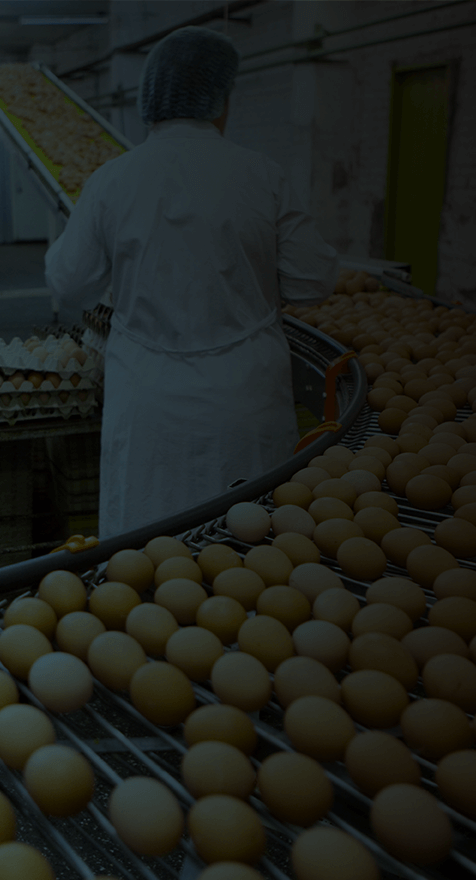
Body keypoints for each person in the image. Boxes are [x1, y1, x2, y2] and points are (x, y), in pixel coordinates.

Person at [45, 26, 339, 538]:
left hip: (150, 402)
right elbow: (314, 280)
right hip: (245, 401)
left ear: (151, 99)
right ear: (221, 100)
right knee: (249, 549)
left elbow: (68, 285)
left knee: (148, 554)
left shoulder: (113, 180)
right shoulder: (263, 175)